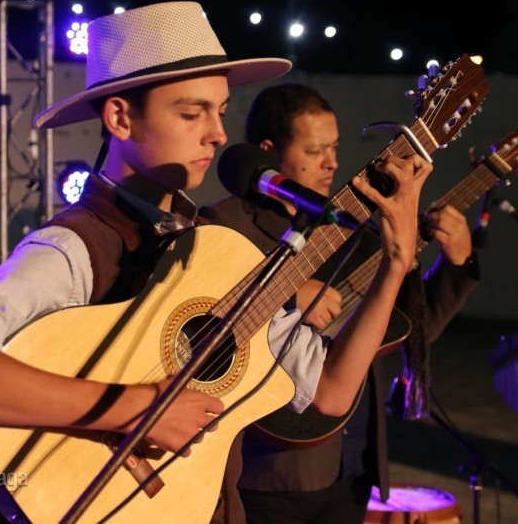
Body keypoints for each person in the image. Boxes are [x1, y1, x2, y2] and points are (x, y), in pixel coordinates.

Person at [0, 2, 431, 523]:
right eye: (190, 113)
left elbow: (331, 393)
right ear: (120, 117)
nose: (217, 133)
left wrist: (395, 262)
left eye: (220, 111)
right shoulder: (74, 247)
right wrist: (140, 408)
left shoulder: (217, 250)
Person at [200, 82, 480, 523]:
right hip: (269, 476)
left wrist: (459, 262)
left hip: (354, 465)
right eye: (315, 150)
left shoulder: (351, 230)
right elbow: (201, 329)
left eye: (334, 147)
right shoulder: (224, 226)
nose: (331, 162)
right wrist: (287, 296)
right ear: (268, 151)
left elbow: (410, 331)